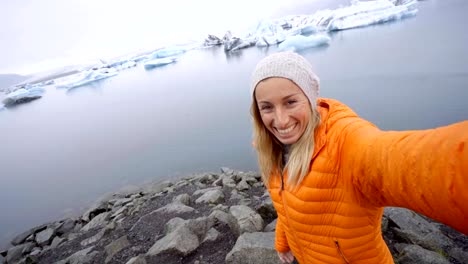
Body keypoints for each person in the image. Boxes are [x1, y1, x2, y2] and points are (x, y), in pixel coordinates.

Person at [250, 51, 468, 264]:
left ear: (310, 99)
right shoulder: (273, 150)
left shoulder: (346, 142)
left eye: (290, 102)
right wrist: (282, 242)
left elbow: (411, 162)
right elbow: (286, 206)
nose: (280, 121)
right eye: (267, 107)